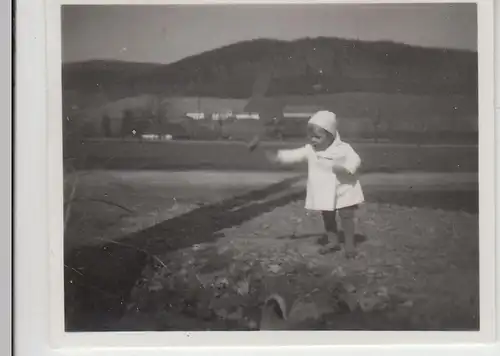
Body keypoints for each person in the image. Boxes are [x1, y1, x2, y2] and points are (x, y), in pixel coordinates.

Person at [266, 111, 364, 258]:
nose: (313, 140)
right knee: (328, 215)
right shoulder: (310, 150)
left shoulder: (344, 148)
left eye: (317, 137)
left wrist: (346, 168)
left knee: (346, 215)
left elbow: (355, 160)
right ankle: (333, 241)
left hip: (344, 187)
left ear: (330, 135)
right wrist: (279, 157)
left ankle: (350, 246)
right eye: (311, 137)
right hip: (324, 190)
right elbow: (295, 154)